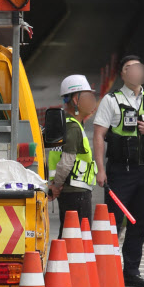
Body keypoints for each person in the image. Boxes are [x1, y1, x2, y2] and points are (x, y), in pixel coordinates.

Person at [93, 55, 144, 287]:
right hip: (119, 171)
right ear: (123, 74)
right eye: (129, 68)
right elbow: (98, 135)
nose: (135, 71)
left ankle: (131, 271)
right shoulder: (111, 100)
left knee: (138, 223)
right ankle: (105, 271)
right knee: (113, 222)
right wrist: (100, 169)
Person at [48, 75, 98, 238]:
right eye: (89, 97)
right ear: (76, 99)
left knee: (69, 236)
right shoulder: (73, 127)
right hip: (76, 192)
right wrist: (56, 185)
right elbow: (67, 161)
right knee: (77, 239)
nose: (93, 101)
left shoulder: (65, 123)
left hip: (70, 191)